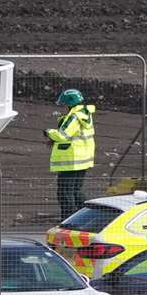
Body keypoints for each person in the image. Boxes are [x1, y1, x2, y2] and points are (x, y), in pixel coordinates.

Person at [47, 88, 97, 220]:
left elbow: (63, 135)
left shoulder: (74, 117)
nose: (63, 107)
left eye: (64, 104)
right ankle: (86, 216)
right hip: (82, 160)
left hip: (70, 161)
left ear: (69, 104)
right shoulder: (85, 114)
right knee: (76, 191)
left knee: (65, 192)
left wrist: (49, 132)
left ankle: (68, 220)